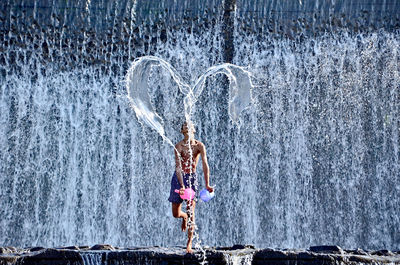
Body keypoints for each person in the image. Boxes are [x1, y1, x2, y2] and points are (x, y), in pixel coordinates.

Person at [168, 121, 214, 253]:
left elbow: (205, 165)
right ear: (182, 131)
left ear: (194, 129)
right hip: (179, 178)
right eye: (184, 126)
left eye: (190, 125)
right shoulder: (179, 146)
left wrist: (207, 184)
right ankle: (184, 217)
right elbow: (178, 167)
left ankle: (189, 243)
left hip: (192, 179)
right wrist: (182, 185)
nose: (187, 126)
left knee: (191, 211)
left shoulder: (199, 146)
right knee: (176, 214)